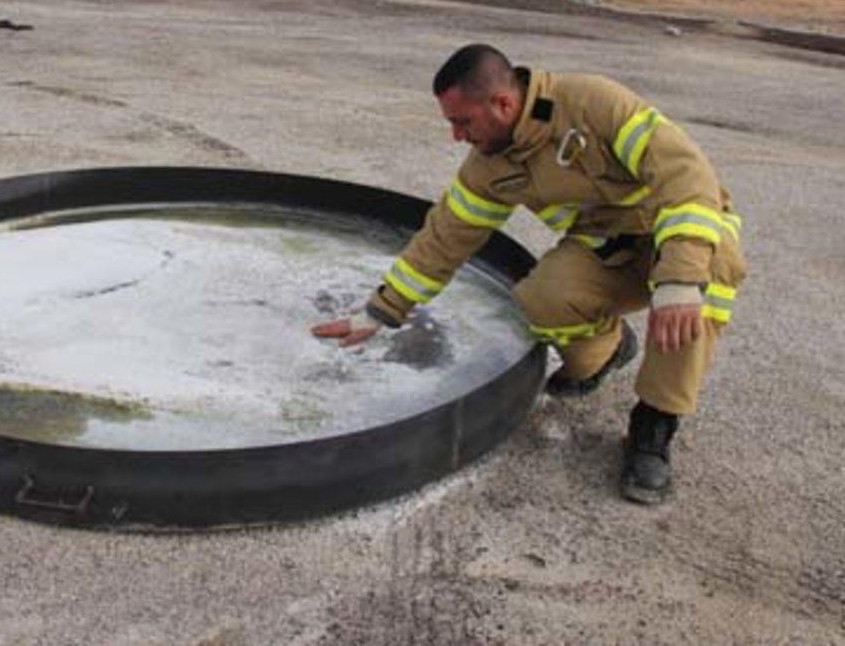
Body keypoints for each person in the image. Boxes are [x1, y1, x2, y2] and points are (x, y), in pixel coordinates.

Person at [313, 44, 747, 504]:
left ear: (502, 104)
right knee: (542, 297)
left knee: (703, 291)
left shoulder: (594, 103)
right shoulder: (489, 164)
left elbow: (686, 178)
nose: (457, 136)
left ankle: (654, 426)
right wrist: (381, 311)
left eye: (463, 122)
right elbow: (445, 237)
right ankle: (608, 350)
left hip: (685, 241)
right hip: (612, 253)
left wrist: (679, 278)